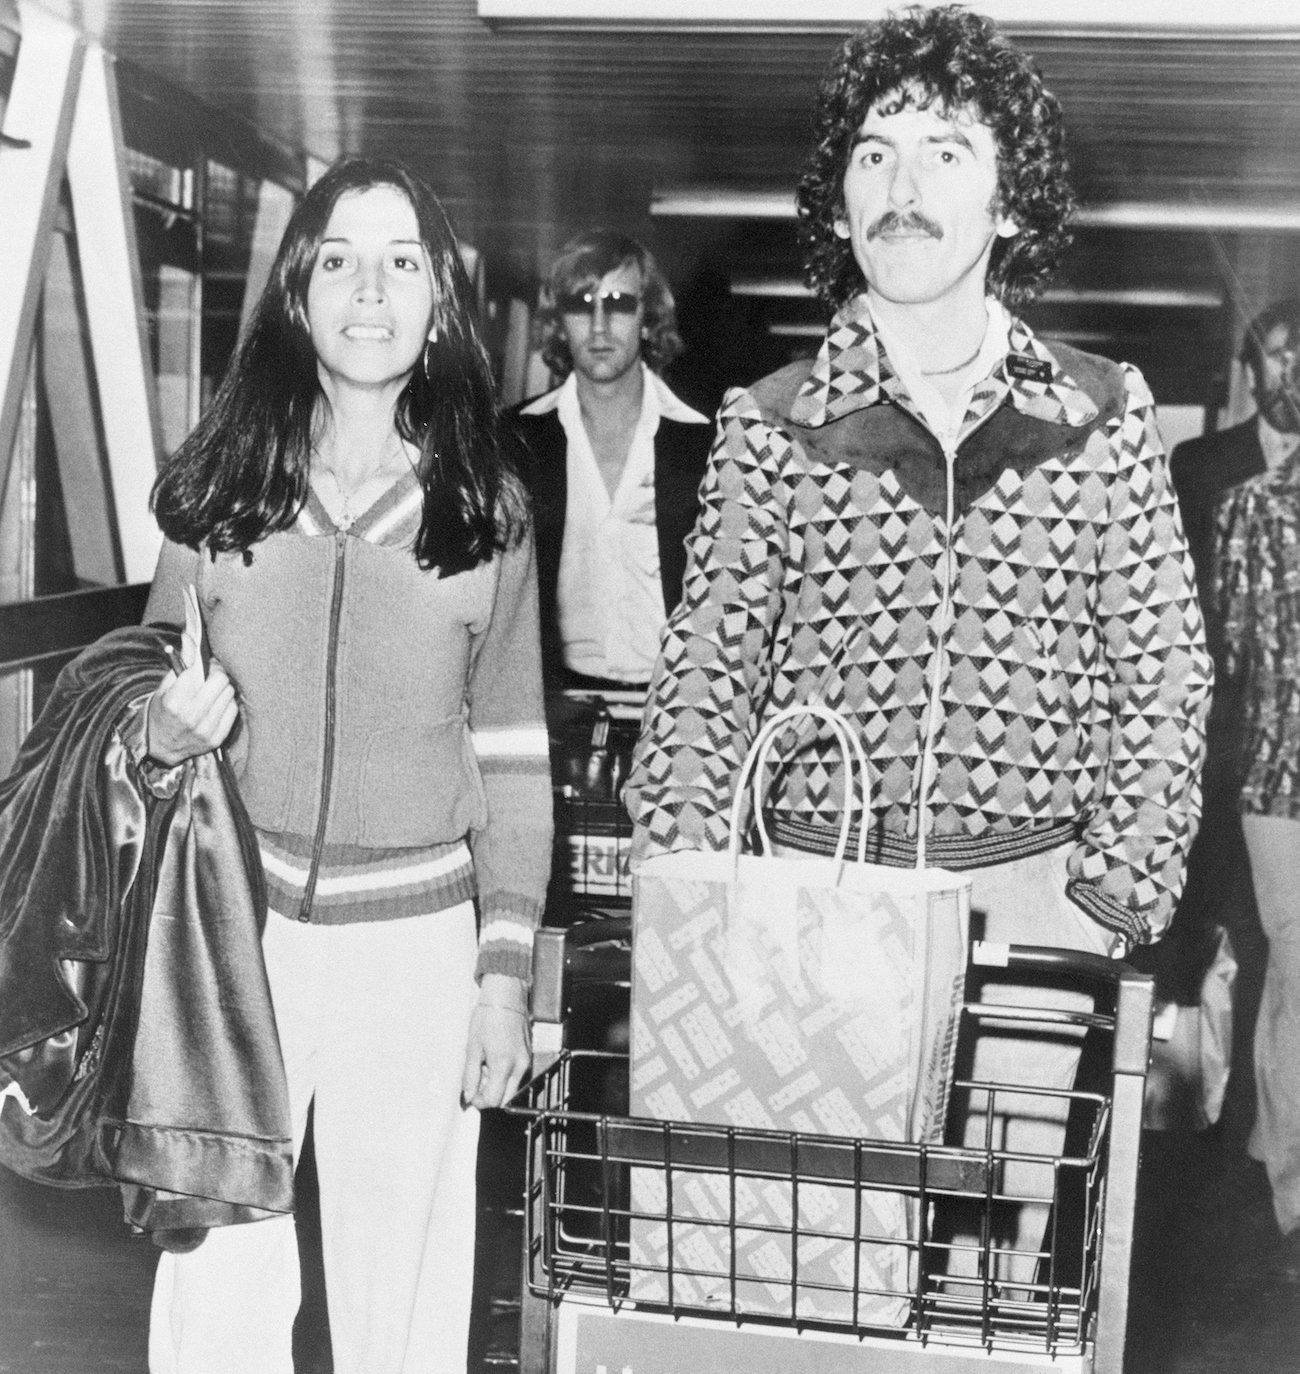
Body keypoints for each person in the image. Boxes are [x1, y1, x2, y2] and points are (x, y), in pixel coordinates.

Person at [626, 4, 1210, 1285]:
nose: (903, 185)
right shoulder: (772, 423)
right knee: (812, 1282)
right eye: (875, 152)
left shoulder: (1101, 417)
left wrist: (1104, 902)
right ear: (837, 206)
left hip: (1035, 925)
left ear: (1008, 202)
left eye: (947, 150)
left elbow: (1165, 677)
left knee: (993, 1293)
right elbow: (705, 674)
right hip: (815, 913)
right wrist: (694, 899)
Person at [136, 157, 552, 1374]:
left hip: (414, 949)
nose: (370, 289)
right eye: (340, 260)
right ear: (298, 295)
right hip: (230, 938)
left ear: (438, 303)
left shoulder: (489, 510)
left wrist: (503, 976)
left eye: (402, 262)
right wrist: (159, 734)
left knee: (403, 1292)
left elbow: (514, 759)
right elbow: (130, 695)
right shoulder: (218, 490)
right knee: (215, 1271)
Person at [1173, 298, 1300, 1280]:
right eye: (1277, 356)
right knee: (1287, 971)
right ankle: (1283, 1185)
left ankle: (1270, 1148)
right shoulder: (1241, 500)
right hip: (1269, 776)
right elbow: (1224, 657)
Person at [512, 229, 712, 690]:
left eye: (619, 302)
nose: (599, 325)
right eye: (581, 303)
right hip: (556, 707)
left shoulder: (704, 445)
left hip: (673, 709)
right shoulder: (517, 441)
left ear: (648, 317)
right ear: (560, 322)